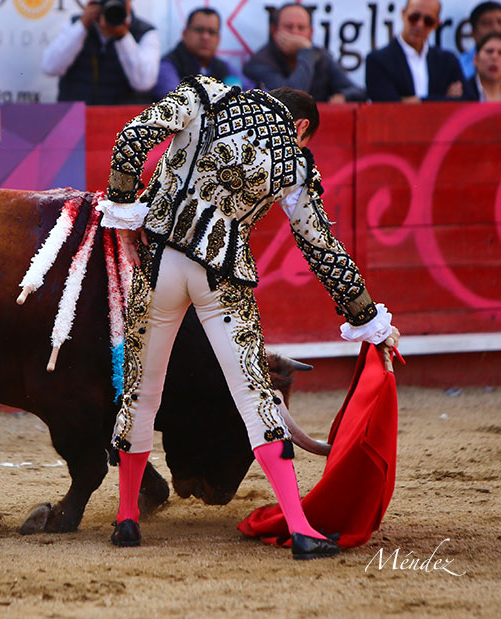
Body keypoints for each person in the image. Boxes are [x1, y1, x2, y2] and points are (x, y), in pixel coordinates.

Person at [97, 76, 399, 558]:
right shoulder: (295, 158)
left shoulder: (203, 94)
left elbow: (132, 137)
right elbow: (319, 245)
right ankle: (300, 529)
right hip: (223, 276)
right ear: (301, 126)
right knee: (255, 396)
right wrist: (367, 318)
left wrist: (124, 207)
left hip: (160, 268)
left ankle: (127, 520)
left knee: (142, 392)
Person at [41, 0, 159, 104]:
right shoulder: (75, 24)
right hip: (76, 120)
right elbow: (50, 67)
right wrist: (83, 24)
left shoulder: (145, 32)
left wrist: (122, 36)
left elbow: (144, 83)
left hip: (123, 122)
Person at [243, 3, 364, 102]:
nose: (295, 33)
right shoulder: (259, 63)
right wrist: (305, 52)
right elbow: (292, 100)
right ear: (274, 30)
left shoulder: (321, 56)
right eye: (288, 27)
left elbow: (359, 92)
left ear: (311, 32)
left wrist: (344, 96)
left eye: (301, 27)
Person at [365, 0, 464, 102]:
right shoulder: (378, 60)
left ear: (436, 24)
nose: (420, 25)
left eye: (428, 21)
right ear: (403, 14)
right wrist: (444, 99)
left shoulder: (448, 61)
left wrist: (418, 101)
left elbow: (467, 100)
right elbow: (387, 105)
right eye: (414, 17)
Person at [153, 7, 239, 99]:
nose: (205, 37)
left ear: (218, 39)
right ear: (185, 34)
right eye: (199, 30)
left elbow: (250, 91)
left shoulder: (224, 67)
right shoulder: (168, 65)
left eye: (212, 32)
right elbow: (177, 101)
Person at [460, 2, 501, 80]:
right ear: (473, 33)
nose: (496, 28)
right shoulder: (459, 65)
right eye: (487, 23)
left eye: (500, 22)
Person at [463, 32, 501, 100]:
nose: (494, 57)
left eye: (500, 53)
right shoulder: (462, 93)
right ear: (476, 59)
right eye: (489, 51)